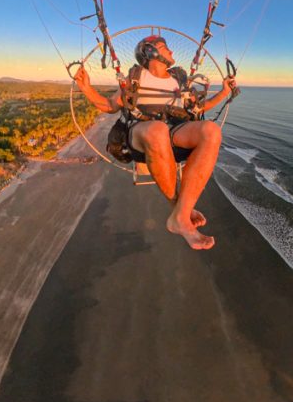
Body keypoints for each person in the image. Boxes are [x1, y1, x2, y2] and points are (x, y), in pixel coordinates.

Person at [73, 35, 236, 250]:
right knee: (157, 130)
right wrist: (86, 88)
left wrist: (224, 93)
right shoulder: (136, 79)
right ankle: (178, 211)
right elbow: (110, 105)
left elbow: (198, 108)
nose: (172, 53)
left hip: (174, 132)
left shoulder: (179, 80)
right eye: (166, 48)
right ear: (150, 52)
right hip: (141, 133)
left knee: (211, 131)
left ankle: (182, 213)